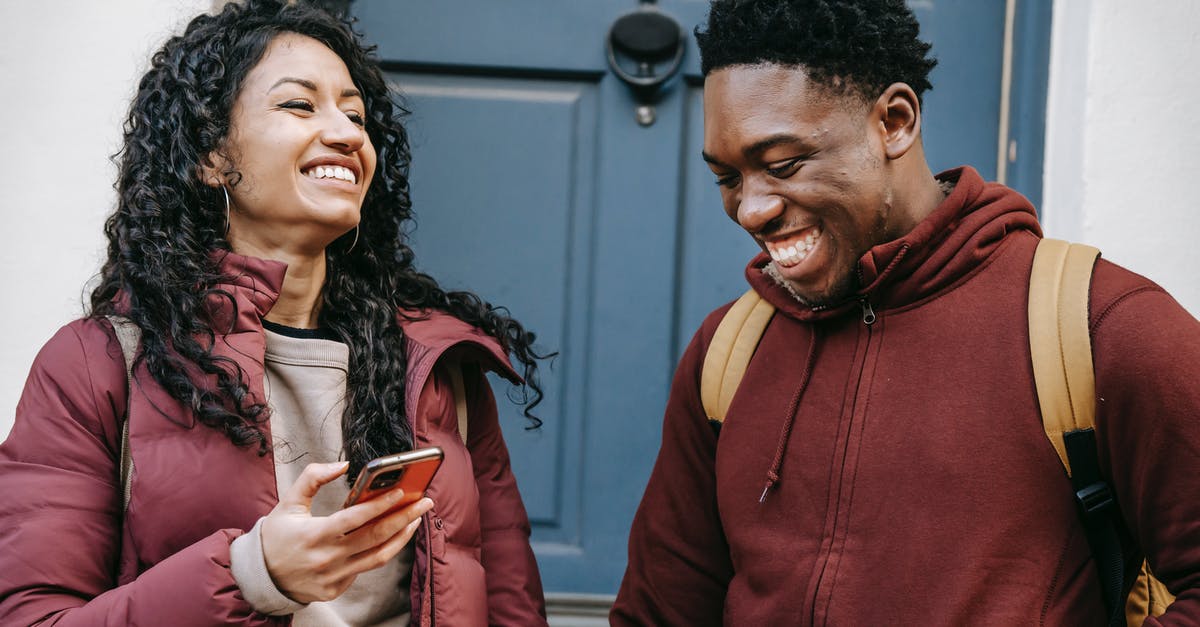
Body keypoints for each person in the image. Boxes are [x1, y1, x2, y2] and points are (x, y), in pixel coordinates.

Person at [611, 0, 1200, 624]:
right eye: (726, 177)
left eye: (783, 165)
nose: (750, 210)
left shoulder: (1101, 325)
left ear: (894, 121)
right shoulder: (728, 349)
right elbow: (659, 613)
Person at [0, 1, 550, 625]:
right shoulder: (96, 365)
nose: (346, 133)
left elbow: (510, 606)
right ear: (210, 156)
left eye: (355, 114)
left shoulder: (437, 365)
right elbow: (31, 617)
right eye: (299, 105)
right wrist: (253, 576)